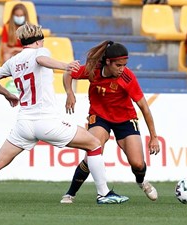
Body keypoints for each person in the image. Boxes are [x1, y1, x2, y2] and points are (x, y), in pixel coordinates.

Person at [0, 24, 129, 205]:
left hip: (24, 124)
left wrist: (9, 95)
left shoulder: (13, 61)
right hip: (46, 121)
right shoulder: (40, 51)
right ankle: (103, 194)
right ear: (37, 41)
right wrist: (65, 66)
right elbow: (41, 59)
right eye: (42, 41)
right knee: (94, 144)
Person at [60, 41, 160, 204]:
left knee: (137, 163)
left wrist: (154, 137)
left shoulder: (127, 78)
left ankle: (141, 181)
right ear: (108, 62)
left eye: (124, 65)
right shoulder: (93, 70)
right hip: (100, 117)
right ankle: (70, 194)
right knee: (93, 151)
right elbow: (68, 72)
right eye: (119, 65)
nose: (122, 69)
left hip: (125, 119)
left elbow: (144, 107)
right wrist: (69, 92)